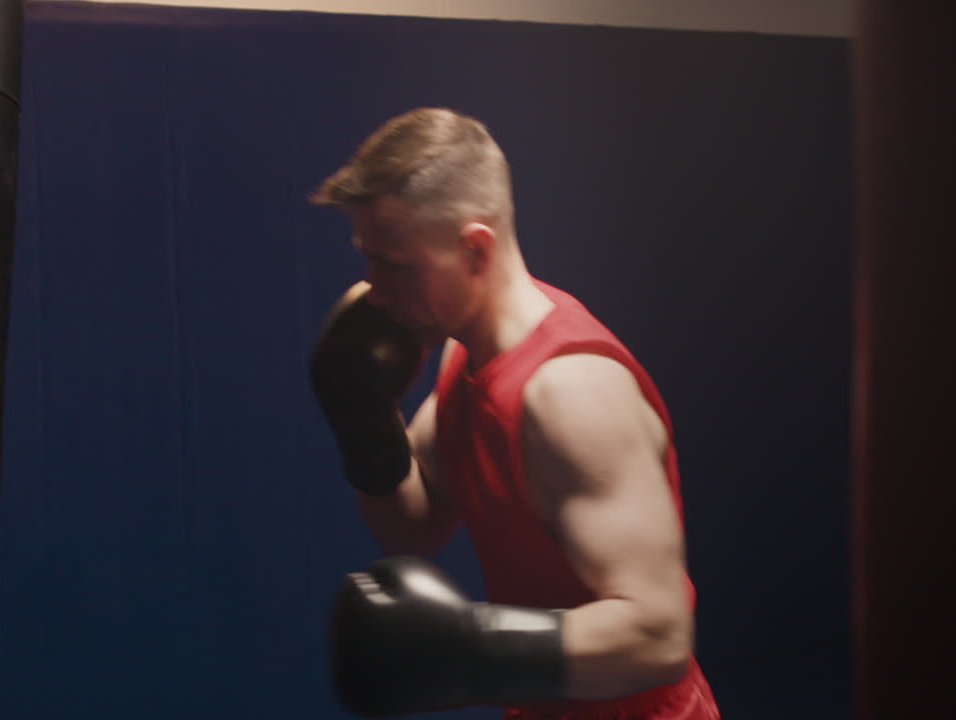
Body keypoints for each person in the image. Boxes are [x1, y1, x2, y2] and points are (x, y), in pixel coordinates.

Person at [308, 107, 720, 720]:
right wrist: (363, 418)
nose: (375, 289)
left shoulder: (568, 394)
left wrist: (466, 649)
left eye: (394, 265)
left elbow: (658, 636)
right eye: (368, 259)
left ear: (476, 248)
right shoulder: (464, 357)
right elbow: (414, 528)